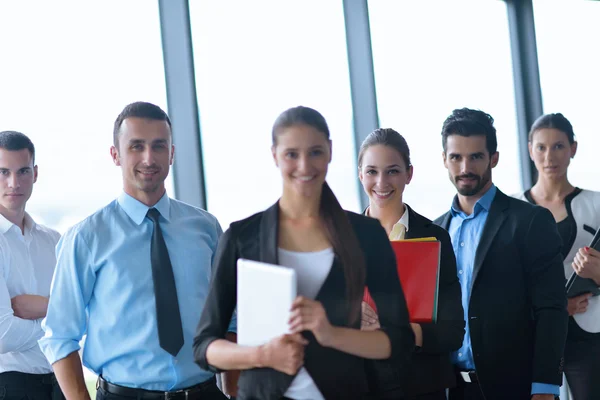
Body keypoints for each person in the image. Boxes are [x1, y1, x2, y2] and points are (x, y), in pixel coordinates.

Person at [193, 106, 415, 400]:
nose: (304, 165)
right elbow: (204, 347)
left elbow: (399, 340)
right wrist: (263, 354)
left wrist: (332, 334)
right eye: (291, 154)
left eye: (315, 152)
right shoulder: (241, 238)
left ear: (331, 151)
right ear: (274, 154)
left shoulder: (366, 235)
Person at [39, 102, 232, 400]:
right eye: (136, 146)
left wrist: (233, 392)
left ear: (172, 152)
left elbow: (231, 318)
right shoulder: (86, 238)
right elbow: (60, 337)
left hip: (205, 393)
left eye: (158, 146)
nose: (148, 158)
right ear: (115, 155)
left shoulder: (206, 229)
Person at [433, 108, 568, 400]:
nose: (465, 167)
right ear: (444, 159)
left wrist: (545, 385)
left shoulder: (531, 221)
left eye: (476, 156)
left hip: (515, 388)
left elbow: (552, 310)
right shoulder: (434, 232)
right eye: (456, 157)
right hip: (448, 388)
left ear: (493, 158)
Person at [357, 128, 464, 400]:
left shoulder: (435, 239)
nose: (381, 182)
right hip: (361, 385)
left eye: (392, 171)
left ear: (409, 174)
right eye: (371, 171)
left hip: (421, 386)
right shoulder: (342, 239)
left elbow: (452, 333)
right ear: (360, 174)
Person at [513, 112, 600, 400]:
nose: (549, 156)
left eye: (559, 146)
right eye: (541, 147)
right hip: (534, 334)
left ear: (573, 149)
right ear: (530, 150)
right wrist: (556, 306)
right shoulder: (512, 211)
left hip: (588, 332)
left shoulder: (597, 204)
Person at [0, 131, 63, 399]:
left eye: (23, 171)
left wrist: (46, 306)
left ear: (35, 173)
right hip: (9, 386)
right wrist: (61, 316)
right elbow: (3, 335)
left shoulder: (53, 241)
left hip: (60, 380)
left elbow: (87, 312)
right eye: (3, 172)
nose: (14, 182)